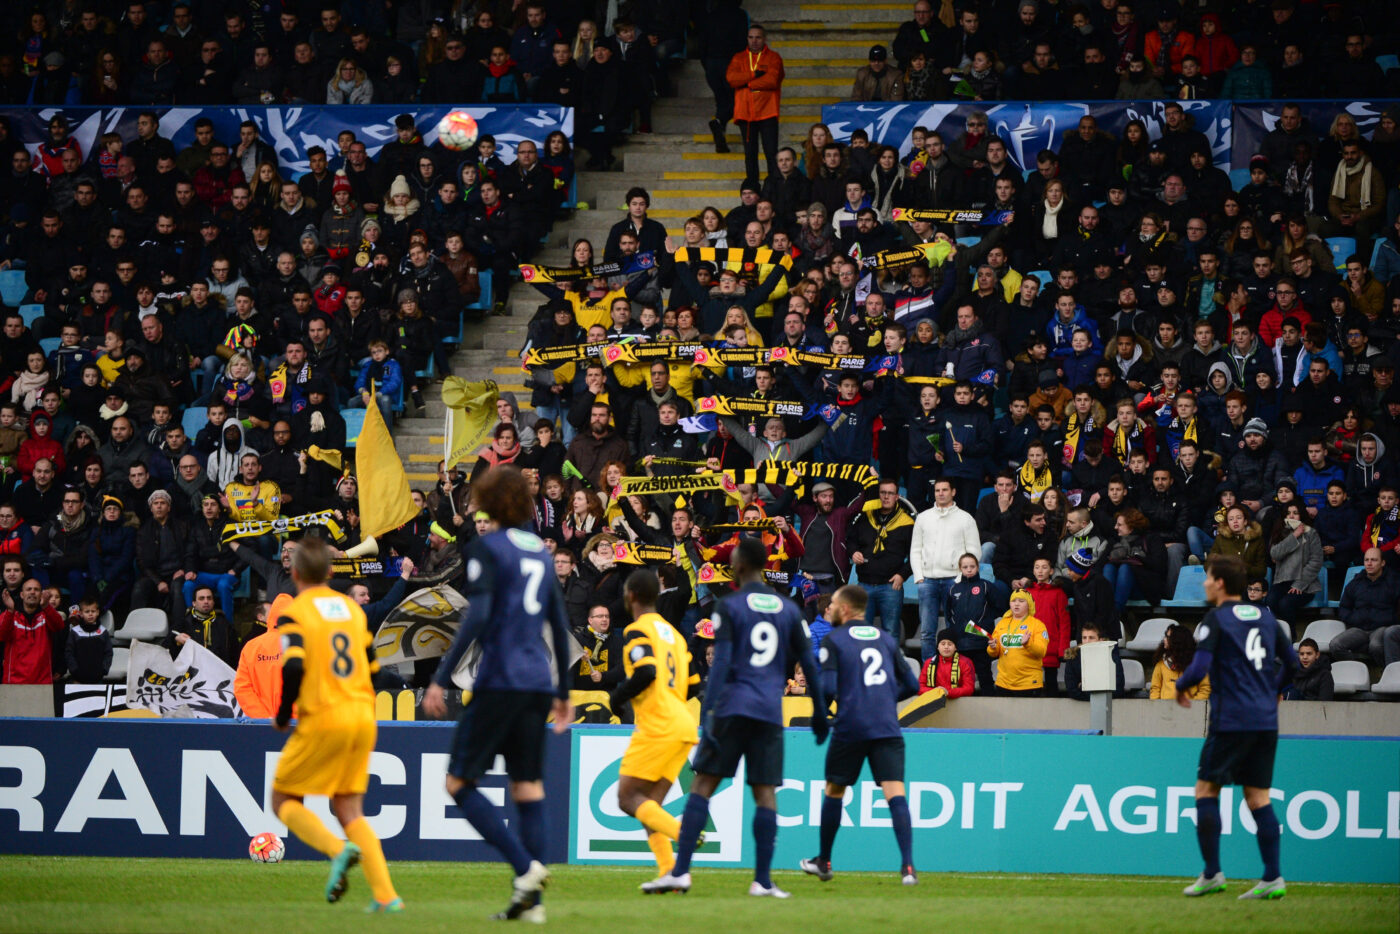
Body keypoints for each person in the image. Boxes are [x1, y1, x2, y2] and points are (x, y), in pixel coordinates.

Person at [421, 467, 573, 923]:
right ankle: (532, 907)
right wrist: (563, 691)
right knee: (528, 787)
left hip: (500, 679)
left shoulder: (486, 548)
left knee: (458, 783)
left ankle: (526, 868)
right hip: (537, 681)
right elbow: (557, 619)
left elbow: (478, 615)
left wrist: (441, 676)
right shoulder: (539, 550)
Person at [644, 537, 828, 896]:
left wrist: (708, 714)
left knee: (703, 786)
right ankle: (762, 880)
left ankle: (680, 872)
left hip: (731, 708)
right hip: (768, 712)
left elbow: (723, 663)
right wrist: (820, 712)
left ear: (739, 566)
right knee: (765, 793)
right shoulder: (787, 608)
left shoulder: (729, 605)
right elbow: (808, 661)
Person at [268, 537, 402, 912]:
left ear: (294, 573)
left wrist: (283, 713)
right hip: (362, 715)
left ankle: (337, 849)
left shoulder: (295, 612)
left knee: (282, 800)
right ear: (330, 572)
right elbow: (373, 669)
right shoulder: (351, 610)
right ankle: (387, 897)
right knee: (349, 810)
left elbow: (294, 666)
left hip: (325, 714)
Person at [1176, 555, 1297, 901]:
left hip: (1231, 719)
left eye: (1208, 577)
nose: (1204, 583)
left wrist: (1181, 685)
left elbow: (1199, 668)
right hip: (1265, 720)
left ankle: (1212, 873)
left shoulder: (1216, 619)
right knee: (1258, 797)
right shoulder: (1266, 616)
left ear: (1220, 583)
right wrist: (1273, 690)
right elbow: (1291, 663)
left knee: (1206, 790)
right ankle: (1272, 877)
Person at [800, 585, 918, 886]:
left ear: (845, 609)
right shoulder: (885, 638)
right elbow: (912, 685)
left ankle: (824, 861)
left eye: (833, 604)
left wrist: (822, 714)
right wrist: (882, 700)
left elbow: (827, 688)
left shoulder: (835, 639)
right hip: (886, 726)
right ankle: (908, 867)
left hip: (851, 725)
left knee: (834, 790)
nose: (829, 609)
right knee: (895, 793)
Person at [608, 569, 699, 880]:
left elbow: (646, 671)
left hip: (658, 724)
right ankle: (670, 872)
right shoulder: (674, 634)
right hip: (683, 724)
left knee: (627, 799)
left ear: (630, 595)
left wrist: (617, 697)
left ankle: (684, 833)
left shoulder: (637, 630)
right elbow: (694, 685)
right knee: (649, 806)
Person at [725, 25, 784, 185]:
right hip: (746, 113)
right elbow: (731, 79)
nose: (754, 41)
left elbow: (772, 80)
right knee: (750, 154)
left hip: (767, 111)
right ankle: (753, 187)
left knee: (771, 153)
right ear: (747, 39)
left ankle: (774, 187)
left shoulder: (773, 57)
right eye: (751, 37)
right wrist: (754, 74)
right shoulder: (739, 58)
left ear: (764, 39)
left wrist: (748, 84)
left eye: (758, 37)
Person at [986, 589, 1050, 697]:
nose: (1016, 604)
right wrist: (992, 647)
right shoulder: (1002, 623)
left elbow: (1041, 652)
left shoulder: (1038, 625)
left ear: (1029, 604)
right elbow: (993, 653)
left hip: (1029, 683)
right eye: (1013, 601)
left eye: (1021, 601)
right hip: (1004, 683)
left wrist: (1028, 644)